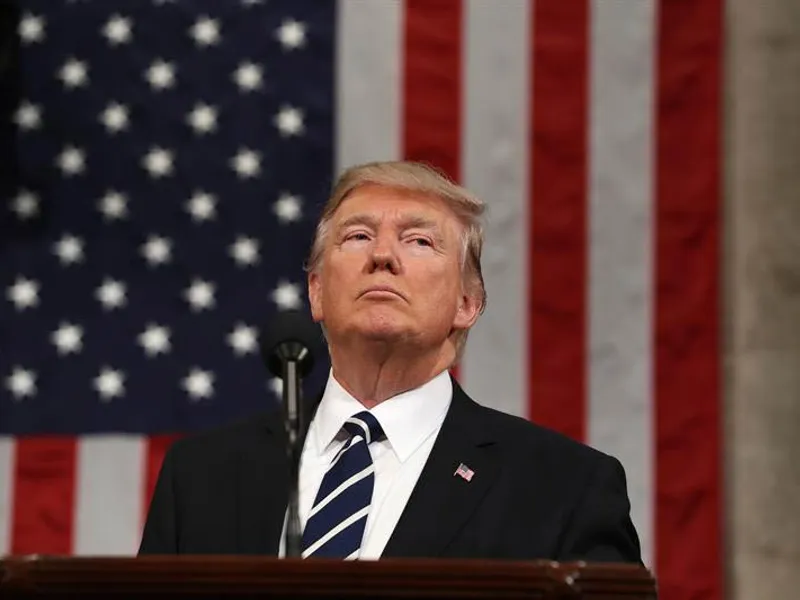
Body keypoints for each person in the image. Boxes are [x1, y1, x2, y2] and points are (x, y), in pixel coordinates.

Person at [138, 160, 642, 562]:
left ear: (467, 304)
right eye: (357, 236)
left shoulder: (561, 487)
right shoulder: (202, 475)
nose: (383, 256)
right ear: (316, 292)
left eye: (419, 241)